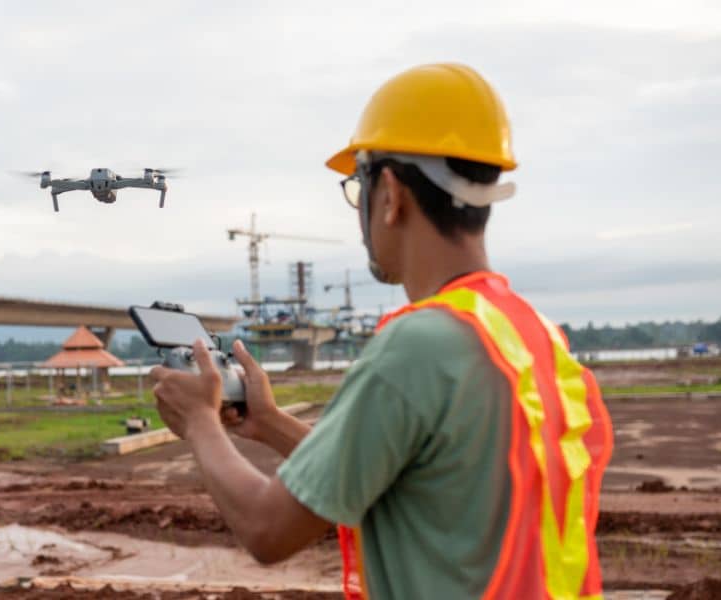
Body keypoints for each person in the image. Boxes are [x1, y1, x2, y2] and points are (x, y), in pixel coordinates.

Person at [150, 63, 613, 599]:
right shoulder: (529, 336)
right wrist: (271, 422)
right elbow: (400, 480)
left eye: (358, 187)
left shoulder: (418, 346)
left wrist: (200, 422)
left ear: (389, 193)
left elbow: (268, 529)